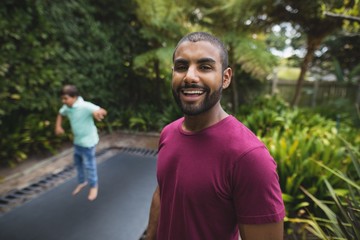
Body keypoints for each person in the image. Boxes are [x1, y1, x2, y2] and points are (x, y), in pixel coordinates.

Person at [146, 32, 285, 240]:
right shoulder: (168, 133)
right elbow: (162, 194)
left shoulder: (250, 157)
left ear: (226, 78)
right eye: (182, 67)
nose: (190, 76)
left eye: (205, 67)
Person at [55, 84, 107, 201]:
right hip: (77, 141)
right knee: (78, 162)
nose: (63, 101)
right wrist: (58, 126)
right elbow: (60, 114)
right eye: (62, 98)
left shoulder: (85, 106)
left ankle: (94, 186)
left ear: (74, 97)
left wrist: (97, 113)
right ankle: (82, 181)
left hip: (88, 142)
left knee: (89, 165)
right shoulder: (67, 107)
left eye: (66, 98)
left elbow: (102, 110)